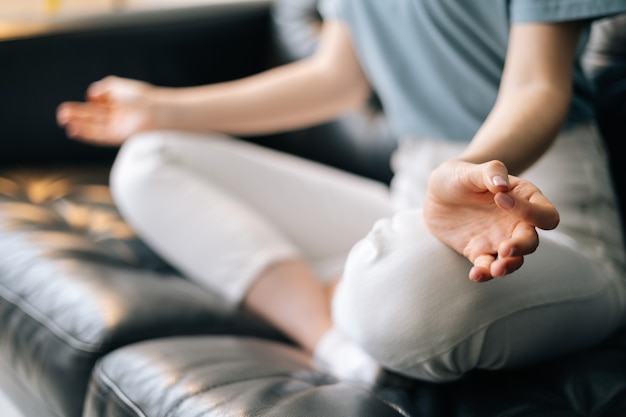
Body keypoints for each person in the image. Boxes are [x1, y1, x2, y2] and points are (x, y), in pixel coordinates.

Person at [56, 0, 626, 384]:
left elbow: (537, 85)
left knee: (403, 294)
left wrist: (466, 171)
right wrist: (160, 109)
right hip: (415, 196)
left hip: (532, 203)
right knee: (151, 159)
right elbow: (337, 79)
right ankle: (332, 338)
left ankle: (352, 286)